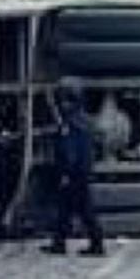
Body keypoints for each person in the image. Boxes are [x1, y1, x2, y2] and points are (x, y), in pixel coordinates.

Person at [41, 78, 104, 257]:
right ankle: (59, 243)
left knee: (83, 211)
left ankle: (96, 245)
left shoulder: (71, 123)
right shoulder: (82, 120)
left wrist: (66, 173)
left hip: (74, 173)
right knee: (66, 210)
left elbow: (70, 151)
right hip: (81, 172)